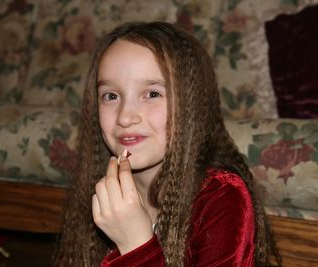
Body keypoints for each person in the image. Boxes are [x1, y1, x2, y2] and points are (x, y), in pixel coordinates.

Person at [55, 21, 280, 266]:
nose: (125, 117)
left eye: (152, 94)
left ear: (191, 105)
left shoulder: (223, 197)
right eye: (111, 96)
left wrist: (136, 245)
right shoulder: (98, 191)